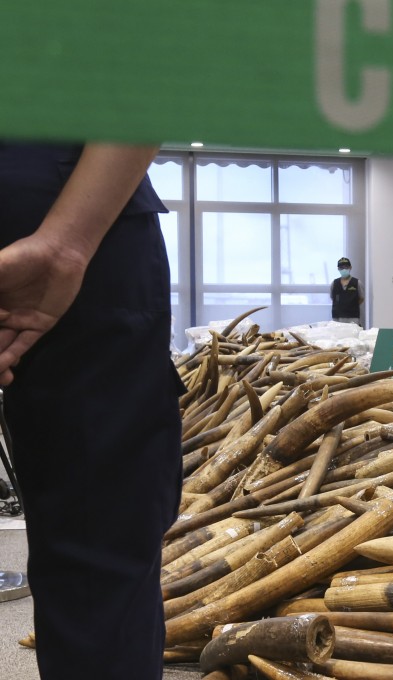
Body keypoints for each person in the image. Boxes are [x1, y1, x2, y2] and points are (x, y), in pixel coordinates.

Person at [0, 142, 183, 680]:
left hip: (64, 202)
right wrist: (67, 244)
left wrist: (66, 246)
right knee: (97, 562)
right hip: (61, 191)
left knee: (99, 547)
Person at [330, 256, 364, 326]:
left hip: (353, 317)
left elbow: (361, 298)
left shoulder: (357, 282)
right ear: (338, 269)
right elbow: (332, 298)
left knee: (353, 335)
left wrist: (350, 305)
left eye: (346, 267)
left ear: (350, 268)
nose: (344, 269)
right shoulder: (334, 283)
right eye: (341, 268)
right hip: (337, 318)